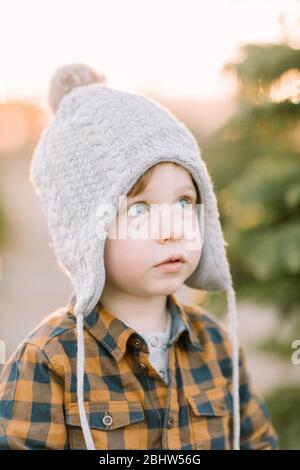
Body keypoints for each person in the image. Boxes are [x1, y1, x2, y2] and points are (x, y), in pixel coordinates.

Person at [0, 64, 278, 450]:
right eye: (140, 209)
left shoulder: (217, 346)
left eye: (184, 202)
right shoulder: (51, 362)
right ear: (87, 233)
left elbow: (257, 442)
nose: (172, 229)